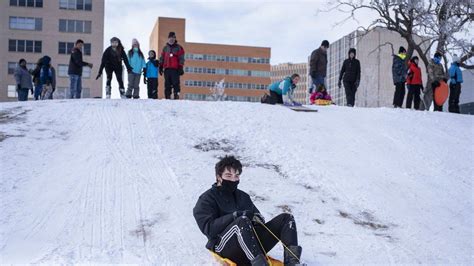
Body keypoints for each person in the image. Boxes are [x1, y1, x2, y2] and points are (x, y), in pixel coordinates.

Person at [193, 156, 303, 266]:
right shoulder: (207, 199)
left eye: (236, 176)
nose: (233, 180)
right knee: (242, 220)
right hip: (224, 247)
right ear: (218, 177)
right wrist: (234, 216)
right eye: (228, 175)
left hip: (250, 244)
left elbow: (257, 216)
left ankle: (292, 263)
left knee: (286, 218)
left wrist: (257, 219)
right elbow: (208, 229)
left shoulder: (243, 196)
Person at [159, 32, 185, 99]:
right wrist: (160, 66)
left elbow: (181, 58)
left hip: (175, 69)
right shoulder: (165, 48)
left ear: (175, 39)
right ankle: (167, 97)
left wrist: (180, 67)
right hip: (167, 69)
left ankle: (176, 95)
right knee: (167, 84)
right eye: (170, 38)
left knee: (176, 83)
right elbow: (162, 57)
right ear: (168, 39)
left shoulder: (179, 48)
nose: (172, 39)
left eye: (173, 38)